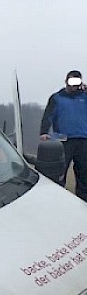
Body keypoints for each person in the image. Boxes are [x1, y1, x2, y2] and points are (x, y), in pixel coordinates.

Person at [39, 69, 87, 200]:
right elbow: (48, 116)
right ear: (66, 81)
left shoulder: (85, 97)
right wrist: (43, 132)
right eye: (71, 81)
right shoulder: (56, 98)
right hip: (63, 140)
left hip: (83, 141)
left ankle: (83, 203)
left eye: (77, 82)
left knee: (84, 175)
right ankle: (57, 199)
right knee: (59, 173)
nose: (73, 86)